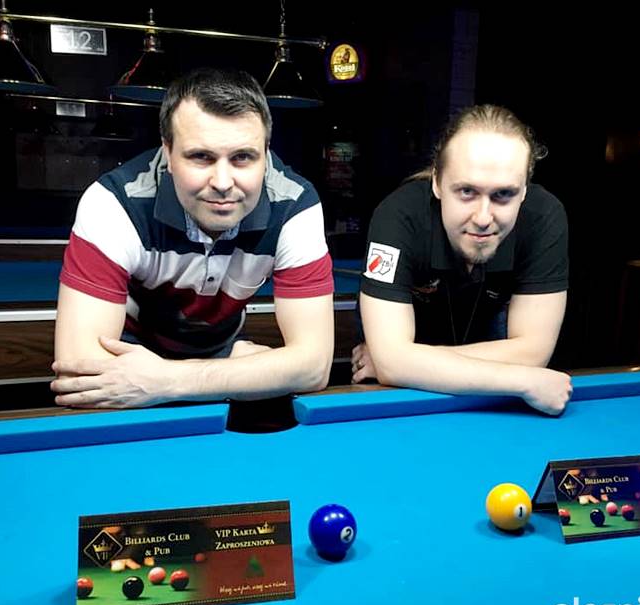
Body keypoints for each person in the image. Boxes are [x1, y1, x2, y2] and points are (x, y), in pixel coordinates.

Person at [51, 68, 334, 409]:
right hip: (128, 355)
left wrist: (168, 380)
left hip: (219, 354)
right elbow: (79, 372)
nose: (223, 182)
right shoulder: (114, 203)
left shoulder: (295, 204)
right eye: (201, 157)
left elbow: (314, 366)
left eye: (243, 157)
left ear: (266, 153)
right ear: (168, 152)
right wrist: (248, 372)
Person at [352, 104, 571, 415]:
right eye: (467, 191)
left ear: (524, 190)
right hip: (407, 365)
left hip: (481, 337)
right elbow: (391, 364)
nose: (483, 218)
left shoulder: (544, 217)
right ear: (437, 182)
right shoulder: (398, 216)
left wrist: (406, 362)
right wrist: (523, 380)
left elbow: (532, 353)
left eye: (504, 194)